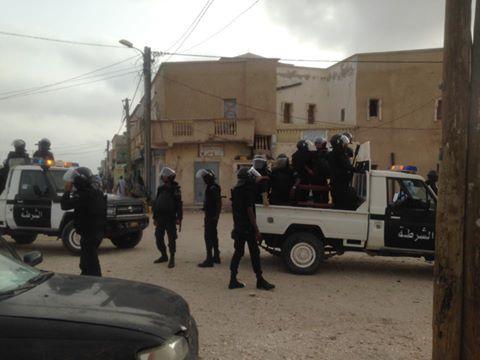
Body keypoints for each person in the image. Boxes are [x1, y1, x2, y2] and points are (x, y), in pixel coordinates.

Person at [229, 167, 275, 291]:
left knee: (238, 253)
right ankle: (260, 280)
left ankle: (232, 279)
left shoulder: (236, 190)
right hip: (248, 228)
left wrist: (261, 178)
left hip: (238, 227)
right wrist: (257, 230)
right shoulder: (247, 191)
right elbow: (250, 211)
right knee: (255, 253)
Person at [60, 167, 107, 277]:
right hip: (95, 233)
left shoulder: (85, 195)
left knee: (91, 263)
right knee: (86, 261)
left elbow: (65, 205)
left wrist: (67, 191)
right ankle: (86, 278)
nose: (73, 184)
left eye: (74, 182)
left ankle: (95, 281)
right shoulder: (95, 192)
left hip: (90, 234)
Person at [152, 167, 183, 268]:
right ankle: (164, 255)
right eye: (163, 176)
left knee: (171, 238)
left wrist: (179, 217)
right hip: (160, 217)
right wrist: (155, 217)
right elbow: (157, 202)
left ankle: (172, 258)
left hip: (170, 217)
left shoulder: (176, 189)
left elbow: (179, 204)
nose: (163, 177)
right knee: (158, 237)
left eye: (165, 176)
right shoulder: (161, 188)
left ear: (170, 177)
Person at [196, 169, 222, 268]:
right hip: (211, 215)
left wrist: (216, 215)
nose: (204, 180)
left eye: (205, 178)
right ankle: (216, 256)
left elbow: (218, 202)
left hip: (211, 216)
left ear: (209, 178)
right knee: (213, 236)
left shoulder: (213, 188)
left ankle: (209, 259)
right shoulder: (212, 187)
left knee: (208, 237)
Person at [328, 134, 357, 210]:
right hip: (339, 184)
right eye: (343, 143)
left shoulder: (336, 153)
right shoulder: (338, 154)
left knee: (338, 204)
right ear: (338, 143)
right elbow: (346, 166)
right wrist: (357, 169)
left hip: (337, 183)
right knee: (340, 205)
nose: (345, 145)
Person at [311, 137, 331, 203]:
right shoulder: (315, 154)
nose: (317, 145)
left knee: (324, 198)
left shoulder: (326, 153)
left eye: (318, 143)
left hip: (322, 178)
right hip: (316, 178)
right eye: (316, 143)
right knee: (317, 197)